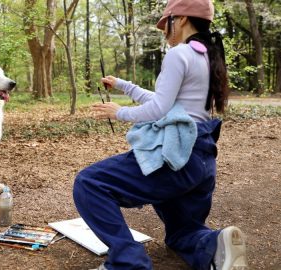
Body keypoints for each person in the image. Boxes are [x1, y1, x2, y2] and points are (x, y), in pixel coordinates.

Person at [72, 0, 248, 269]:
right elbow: (170, 102)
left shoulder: (179, 53)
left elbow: (160, 108)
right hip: (201, 159)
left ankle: (128, 262)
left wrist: (120, 113)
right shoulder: (206, 55)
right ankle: (213, 245)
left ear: (182, 19)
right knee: (182, 232)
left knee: (90, 183)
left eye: (166, 23)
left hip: (175, 153)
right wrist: (124, 86)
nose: (164, 30)